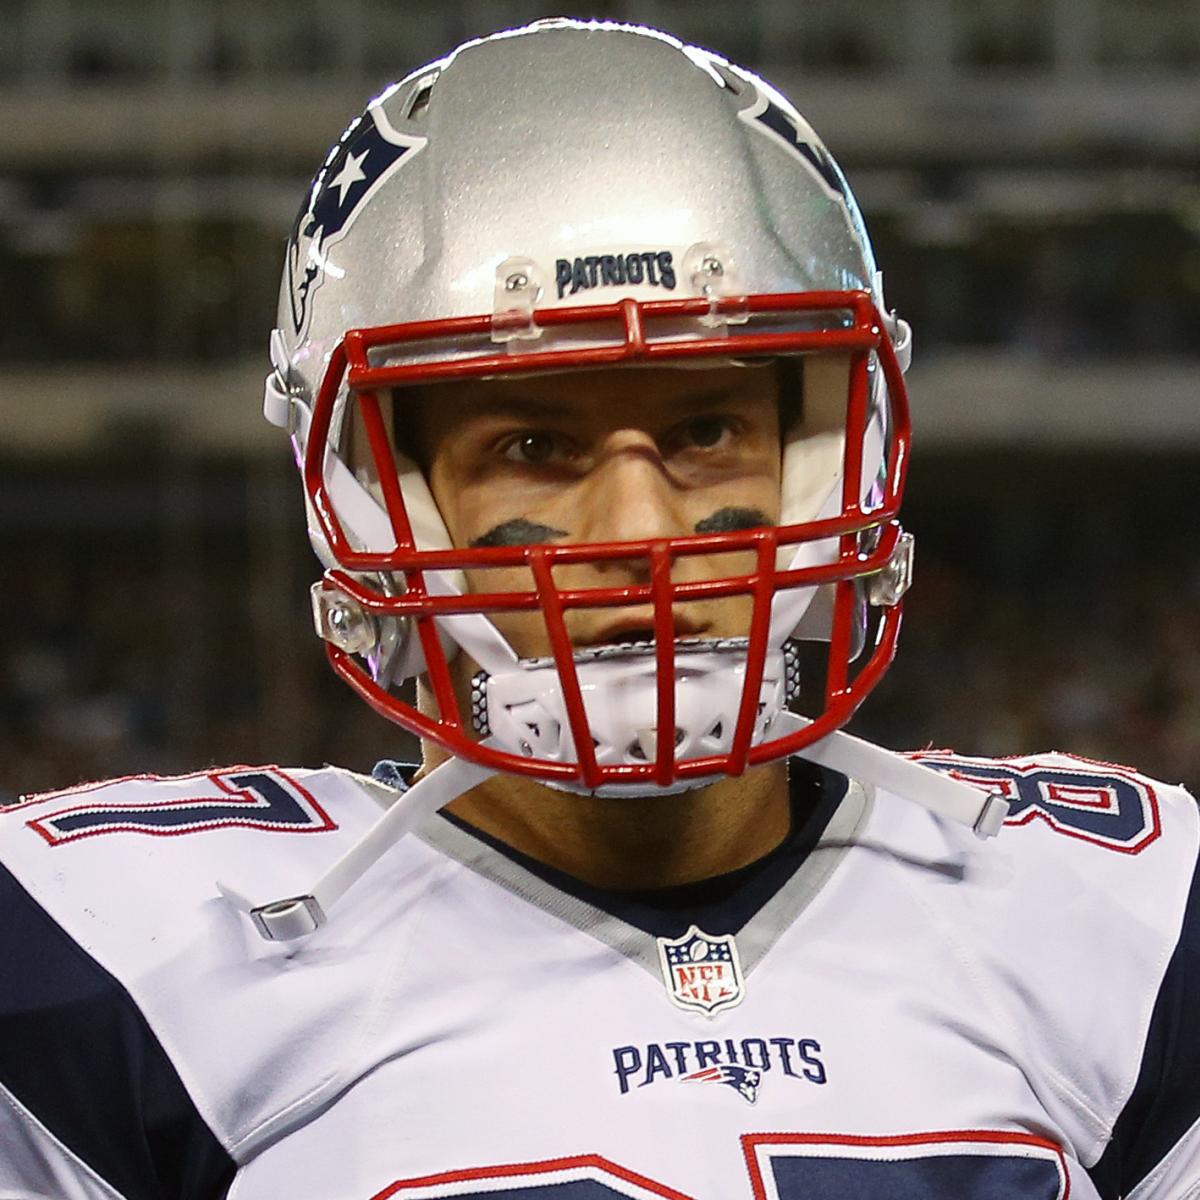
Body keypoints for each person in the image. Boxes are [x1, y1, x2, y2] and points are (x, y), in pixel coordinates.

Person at [1, 18, 1197, 1200]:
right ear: (378, 502)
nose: (640, 532)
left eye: (707, 430)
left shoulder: (1122, 923)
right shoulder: (114, 963)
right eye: (534, 442)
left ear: (827, 457)